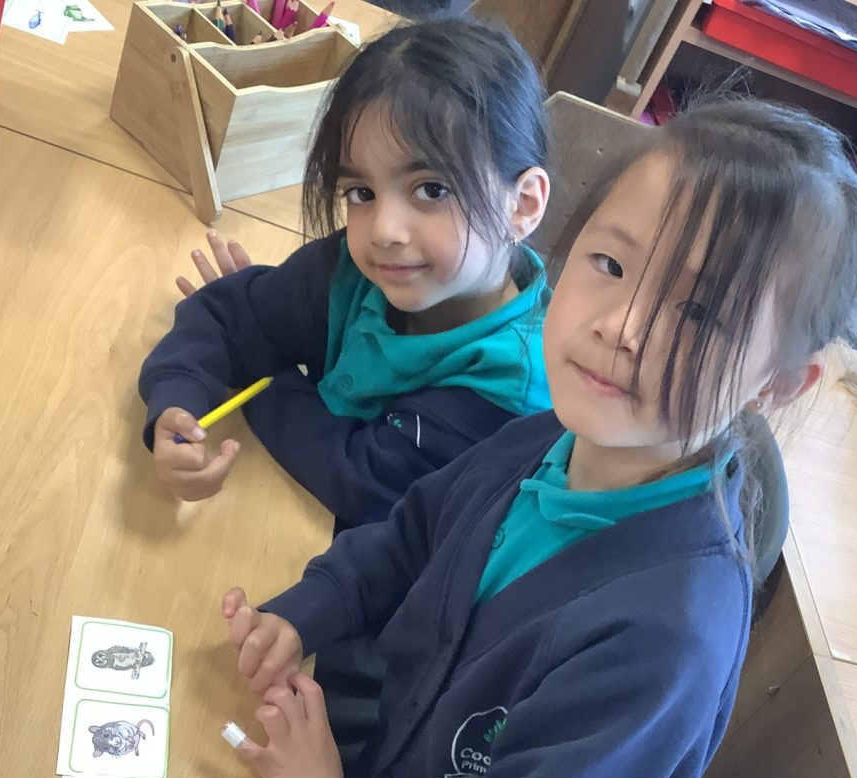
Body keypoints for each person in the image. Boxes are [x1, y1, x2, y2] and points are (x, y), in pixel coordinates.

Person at [221, 96, 857, 778]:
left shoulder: (666, 638)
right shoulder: (554, 433)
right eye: (609, 265)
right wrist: (311, 609)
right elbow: (415, 530)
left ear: (777, 383)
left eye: (698, 313)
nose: (622, 325)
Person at [139, 19, 552, 528]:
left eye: (432, 189)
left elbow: (361, 480)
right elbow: (229, 314)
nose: (383, 230)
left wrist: (266, 372)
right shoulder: (355, 271)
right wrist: (175, 403)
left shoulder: (508, 389)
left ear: (522, 205)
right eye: (362, 193)